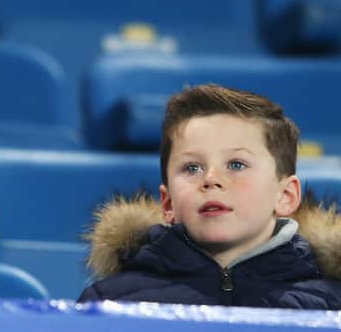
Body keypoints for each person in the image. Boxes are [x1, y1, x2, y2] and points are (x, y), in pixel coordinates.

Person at [78, 84, 341, 308]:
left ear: (285, 195)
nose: (211, 179)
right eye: (192, 167)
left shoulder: (331, 304)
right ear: (168, 203)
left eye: (237, 164)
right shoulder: (110, 303)